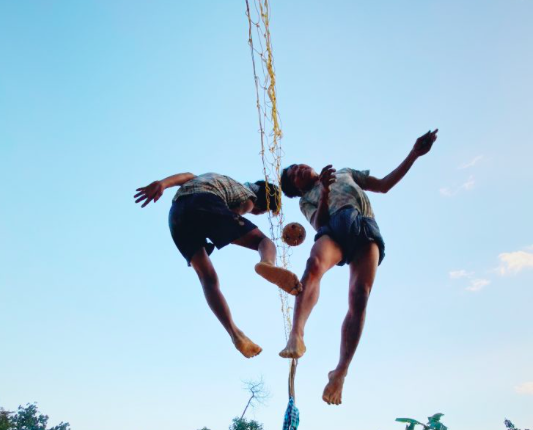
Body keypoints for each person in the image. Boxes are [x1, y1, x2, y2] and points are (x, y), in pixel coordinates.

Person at [279, 130, 438, 404]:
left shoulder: (345, 172)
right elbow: (319, 223)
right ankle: (297, 333)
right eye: (294, 173)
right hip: (334, 226)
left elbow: (385, 184)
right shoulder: (307, 200)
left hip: (364, 225)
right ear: (297, 189)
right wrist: (325, 191)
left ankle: (340, 371)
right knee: (314, 264)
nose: (299, 168)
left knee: (360, 296)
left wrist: (414, 153)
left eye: (298, 164)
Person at [135, 172, 302, 358]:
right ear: (264, 201)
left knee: (208, 278)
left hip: (177, 215)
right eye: (263, 211)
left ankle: (235, 333)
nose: (257, 213)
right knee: (264, 242)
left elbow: (187, 176)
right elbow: (239, 213)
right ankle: (267, 263)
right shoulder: (249, 197)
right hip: (205, 203)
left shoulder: (214, 178)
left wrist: (162, 184)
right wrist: (233, 221)